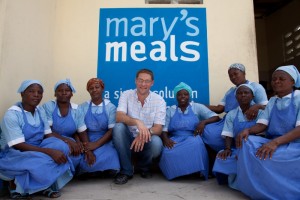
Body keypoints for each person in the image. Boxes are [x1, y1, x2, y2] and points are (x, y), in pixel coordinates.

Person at [235, 65, 300, 199]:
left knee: (273, 155)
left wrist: (275, 143)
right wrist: (247, 130)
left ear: (293, 81)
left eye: (281, 79)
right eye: (274, 79)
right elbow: (261, 125)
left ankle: (281, 189)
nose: (276, 82)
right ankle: (256, 186)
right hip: (272, 140)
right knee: (247, 141)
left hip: (294, 144)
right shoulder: (272, 101)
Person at [0, 80, 73, 199]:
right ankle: (17, 186)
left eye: (40, 92)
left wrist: (66, 142)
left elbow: (48, 135)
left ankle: (40, 186)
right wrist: (49, 152)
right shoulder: (12, 114)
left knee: (62, 148)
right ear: (22, 94)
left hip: (37, 146)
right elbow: (18, 144)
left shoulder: (40, 110)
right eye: (31, 91)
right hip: (15, 152)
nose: (36, 95)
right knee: (43, 159)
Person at [202, 63, 268, 173]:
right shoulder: (230, 91)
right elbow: (220, 108)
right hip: (230, 120)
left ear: (244, 73)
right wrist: (200, 106)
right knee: (207, 131)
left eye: (236, 74)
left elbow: (267, 107)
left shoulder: (256, 87)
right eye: (230, 75)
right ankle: (226, 153)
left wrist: (256, 106)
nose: (233, 77)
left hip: (249, 121)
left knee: (246, 139)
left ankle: (240, 153)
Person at [112, 68, 166, 185]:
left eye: (147, 81)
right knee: (118, 127)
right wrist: (137, 122)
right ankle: (126, 171)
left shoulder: (159, 100)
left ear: (152, 83)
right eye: (140, 80)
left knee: (156, 142)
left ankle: (144, 168)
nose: (143, 84)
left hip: (146, 138)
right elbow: (119, 117)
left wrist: (143, 134)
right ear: (135, 81)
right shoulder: (126, 95)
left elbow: (158, 128)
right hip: (128, 137)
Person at [159, 82, 219, 180]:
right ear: (176, 96)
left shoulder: (197, 107)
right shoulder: (171, 110)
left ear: (189, 95)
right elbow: (164, 128)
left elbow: (215, 117)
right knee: (168, 152)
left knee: (196, 144)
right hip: (176, 137)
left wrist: (203, 122)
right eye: (179, 94)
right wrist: (166, 139)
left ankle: (196, 172)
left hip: (192, 136)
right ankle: (178, 173)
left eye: (185, 94)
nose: (182, 96)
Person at [212, 84, 263, 186]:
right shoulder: (231, 114)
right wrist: (227, 149)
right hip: (237, 148)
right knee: (221, 157)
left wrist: (244, 150)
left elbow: (262, 134)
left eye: (246, 93)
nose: (243, 95)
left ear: (252, 96)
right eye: (239, 93)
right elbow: (228, 134)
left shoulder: (260, 112)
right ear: (236, 97)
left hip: (254, 148)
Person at [78, 78, 120, 177]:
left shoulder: (110, 107)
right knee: (85, 157)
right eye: (91, 88)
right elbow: (81, 130)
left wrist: (96, 144)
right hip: (87, 139)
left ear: (102, 88)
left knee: (111, 153)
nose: (94, 90)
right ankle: (91, 170)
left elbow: (111, 131)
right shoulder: (82, 107)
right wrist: (88, 148)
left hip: (105, 139)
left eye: (97, 87)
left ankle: (100, 170)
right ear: (88, 90)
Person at [43, 79, 86, 173]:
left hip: (70, 140)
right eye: (60, 90)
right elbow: (48, 132)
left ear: (71, 94)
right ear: (55, 94)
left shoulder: (76, 109)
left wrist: (82, 145)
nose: (63, 93)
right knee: (63, 148)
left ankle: (65, 174)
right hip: (51, 139)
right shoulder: (49, 106)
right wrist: (69, 141)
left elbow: (81, 131)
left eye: (67, 91)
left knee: (78, 155)